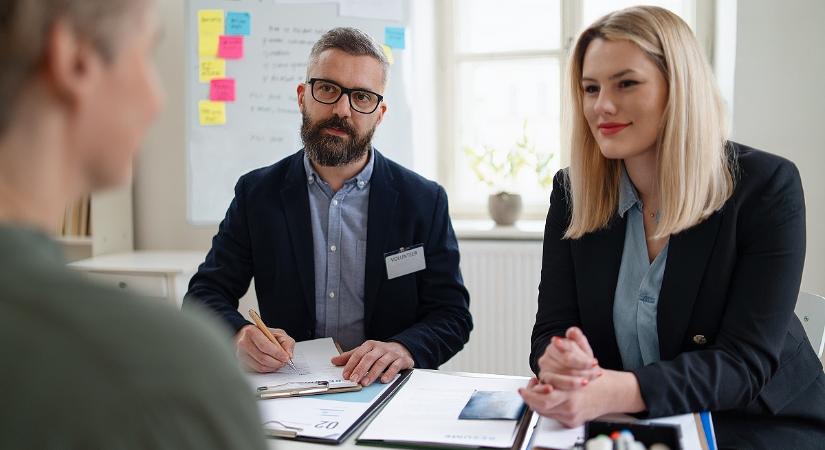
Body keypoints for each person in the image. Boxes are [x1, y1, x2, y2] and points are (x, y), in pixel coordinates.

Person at [518, 6, 825, 449]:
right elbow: (551, 327)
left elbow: (743, 364)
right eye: (590, 88)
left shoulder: (766, 187)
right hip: (630, 422)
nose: (601, 105)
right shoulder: (572, 192)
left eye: (626, 83)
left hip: (756, 422)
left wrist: (616, 391)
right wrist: (560, 362)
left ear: (679, 88)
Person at [0, 1, 266, 448]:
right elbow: (207, 293)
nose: (157, 99)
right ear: (76, 60)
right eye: (144, 54)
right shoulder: (168, 375)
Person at [184, 27, 472, 386]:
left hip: (386, 389)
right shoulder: (257, 194)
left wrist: (402, 348)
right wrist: (240, 335)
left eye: (362, 97)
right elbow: (203, 295)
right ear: (303, 96)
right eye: (328, 89)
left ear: (379, 114)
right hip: (288, 387)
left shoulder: (423, 201)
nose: (341, 110)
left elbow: (452, 315)